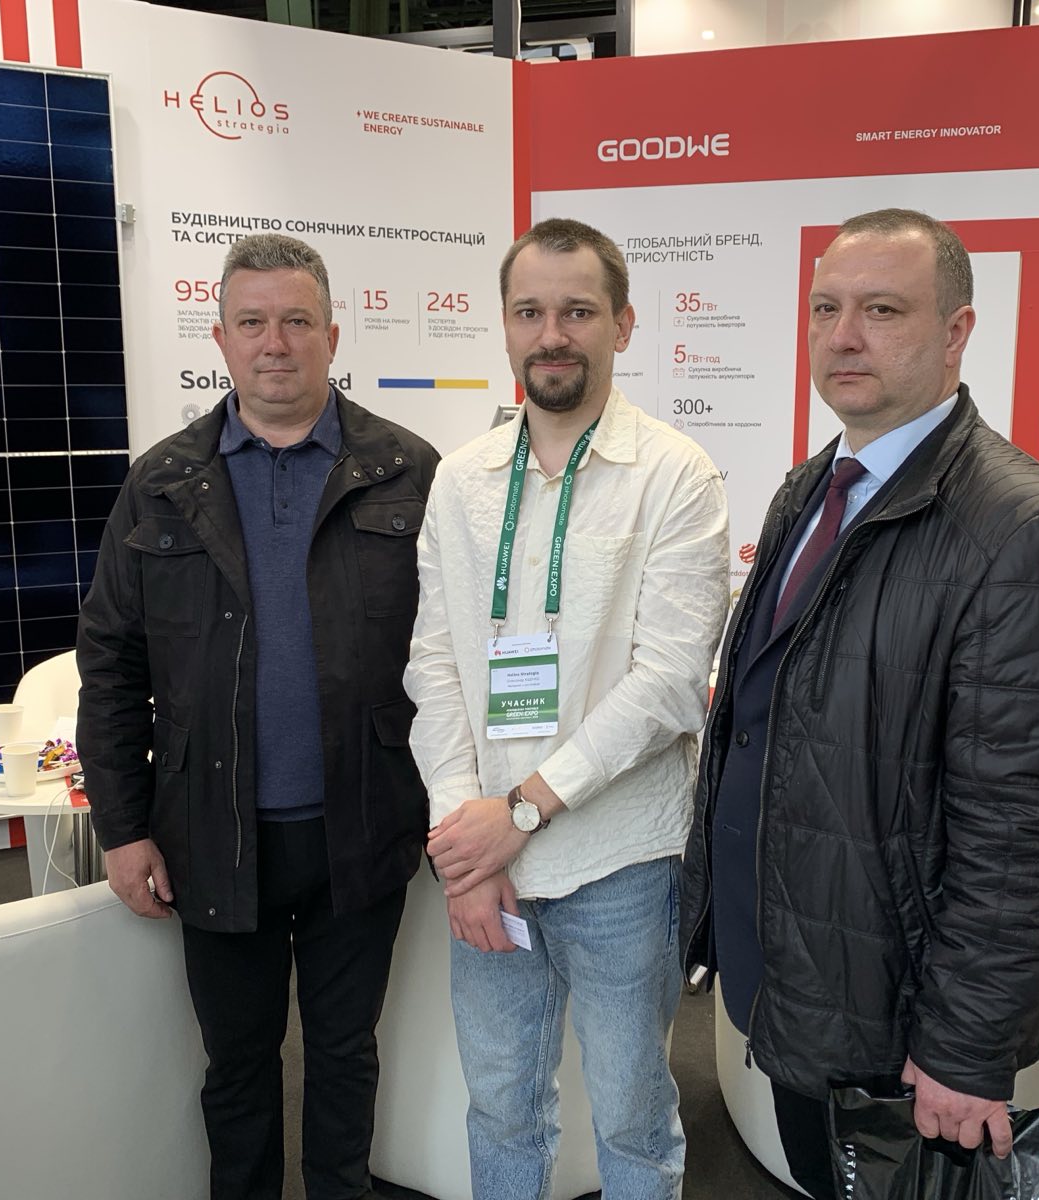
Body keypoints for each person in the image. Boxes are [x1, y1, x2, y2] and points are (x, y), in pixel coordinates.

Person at [679, 208, 1039, 1197]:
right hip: (803, 975)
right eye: (825, 309)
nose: (844, 336)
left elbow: (1022, 829)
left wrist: (967, 1044)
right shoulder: (810, 489)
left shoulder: (1029, 533)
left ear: (957, 332)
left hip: (898, 1014)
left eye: (882, 310)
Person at [76, 233, 438, 1200]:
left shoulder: (407, 470)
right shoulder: (161, 481)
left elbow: (454, 660)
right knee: (236, 1065)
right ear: (221, 338)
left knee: (346, 1053)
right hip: (209, 830)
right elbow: (109, 663)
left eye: (295, 321)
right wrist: (123, 829)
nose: (275, 343)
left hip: (362, 824)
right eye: (252, 323)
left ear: (332, 334)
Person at [403, 217, 730, 1198]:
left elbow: (668, 681)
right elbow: (433, 668)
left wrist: (522, 811)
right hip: (487, 862)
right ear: (505, 326)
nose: (552, 334)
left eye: (578, 312)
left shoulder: (674, 475)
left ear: (622, 325)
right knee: (501, 1109)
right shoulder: (460, 481)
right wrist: (465, 843)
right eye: (530, 312)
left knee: (632, 1119)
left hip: (618, 860)